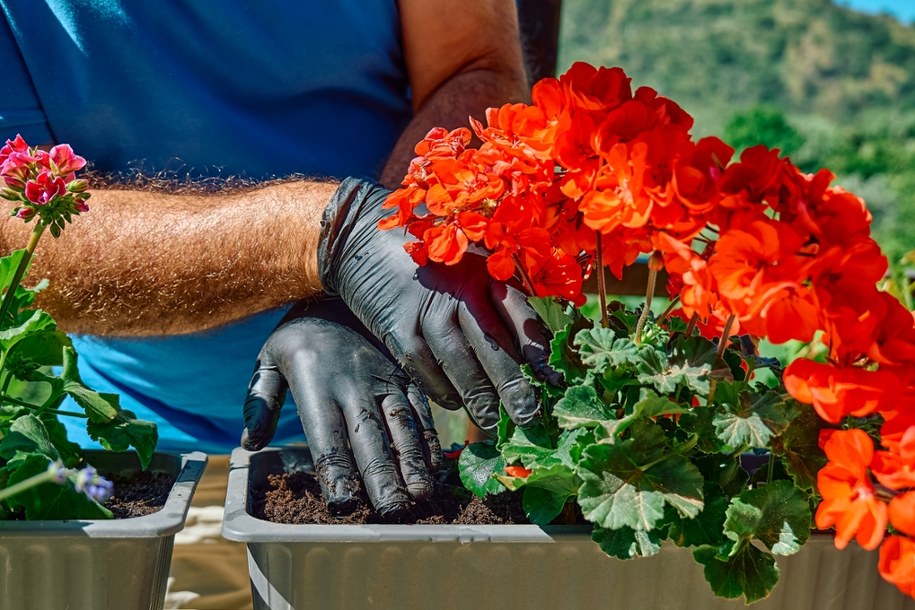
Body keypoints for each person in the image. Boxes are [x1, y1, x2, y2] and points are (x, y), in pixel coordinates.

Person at [1, 2, 549, 606]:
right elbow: (17, 233)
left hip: (382, 445)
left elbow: (476, 69)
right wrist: (333, 238)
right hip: (124, 475)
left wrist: (353, 292)